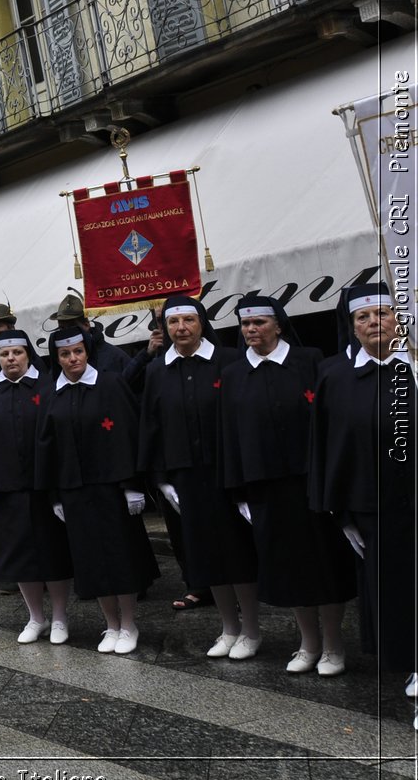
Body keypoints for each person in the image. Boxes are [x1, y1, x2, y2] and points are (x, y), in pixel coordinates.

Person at [220, 292, 356, 675]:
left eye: (258, 323)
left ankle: (333, 644)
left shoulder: (310, 361)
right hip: (267, 489)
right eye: (245, 324)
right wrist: (239, 492)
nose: (251, 330)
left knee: (325, 566)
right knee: (291, 569)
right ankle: (308, 643)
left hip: (312, 484)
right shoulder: (233, 375)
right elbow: (228, 435)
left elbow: (332, 422)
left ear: (278, 324)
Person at [310, 282, 415, 716]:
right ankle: (412, 663)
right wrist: (341, 513)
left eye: (383, 314)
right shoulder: (336, 375)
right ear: (351, 327)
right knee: (397, 588)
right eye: (363, 317)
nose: (375, 322)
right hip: (374, 505)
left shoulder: (413, 366)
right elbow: (327, 445)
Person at [138, 294, 258, 659]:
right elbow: (151, 424)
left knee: (238, 554)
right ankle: (228, 627)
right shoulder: (157, 369)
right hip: (186, 478)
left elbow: (245, 419)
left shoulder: (229, 361)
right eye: (172, 323)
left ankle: (251, 629)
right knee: (205, 556)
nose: (181, 328)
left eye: (188, 321)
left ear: (202, 323)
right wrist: (161, 478)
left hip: (227, 475)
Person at [37, 328, 158, 655]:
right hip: (74, 492)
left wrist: (134, 485)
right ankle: (111, 624)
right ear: (57, 358)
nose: (72, 359)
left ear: (87, 352)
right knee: (92, 560)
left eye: (77, 352)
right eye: (65, 354)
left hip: (113, 488)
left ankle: (129, 623)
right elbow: (46, 448)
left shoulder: (110, 383)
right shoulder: (52, 394)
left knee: (121, 557)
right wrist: (54, 495)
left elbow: (128, 434)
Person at [0, 330, 73, 644]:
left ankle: (59, 617)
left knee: (52, 553)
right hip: (5, 487)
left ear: (28, 354)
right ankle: (35, 617)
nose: (10, 359)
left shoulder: (49, 386)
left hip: (44, 487)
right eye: (4, 354)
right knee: (20, 555)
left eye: (16, 353)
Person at [50, 290, 133, 374]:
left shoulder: (116, 357)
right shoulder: (60, 363)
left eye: (72, 327)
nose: (67, 333)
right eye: (62, 328)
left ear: (86, 325)